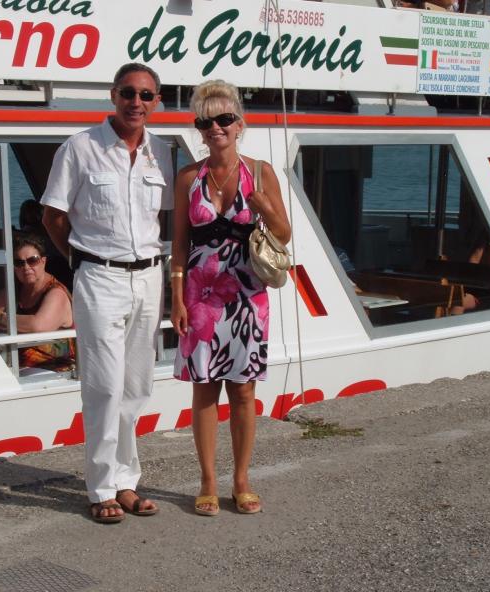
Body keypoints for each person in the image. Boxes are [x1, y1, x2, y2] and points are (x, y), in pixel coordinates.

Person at [41, 63, 173, 523]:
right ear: (113, 96)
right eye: (128, 93)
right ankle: (101, 488)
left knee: (136, 385)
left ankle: (126, 482)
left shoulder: (161, 152)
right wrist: (80, 260)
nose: (136, 102)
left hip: (149, 277)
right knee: (103, 386)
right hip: (99, 277)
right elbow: (53, 216)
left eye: (146, 95)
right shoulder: (80, 148)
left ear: (156, 101)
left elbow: (161, 220)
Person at [170, 81, 291, 516]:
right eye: (206, 122)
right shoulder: (189, 178)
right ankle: (207, 480)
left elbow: (284, 234)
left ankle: (241, 479)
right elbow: (179, 245)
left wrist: (265, 207)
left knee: (243, 390)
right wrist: (176, 299)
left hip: (247, 294)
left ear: (240, 124)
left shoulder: (260, 172)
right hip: (199, 295)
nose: (215, 128)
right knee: (205, 389)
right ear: (199, 129)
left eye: (224, 119)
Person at [0, 234, 74, 372]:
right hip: (16, 364)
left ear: (43, 261)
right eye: (19, 263)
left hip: (54, 369)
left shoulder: (56, 293)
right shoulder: (17, 290)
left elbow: (38, 325)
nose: (26, 267)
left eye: (32, 260)